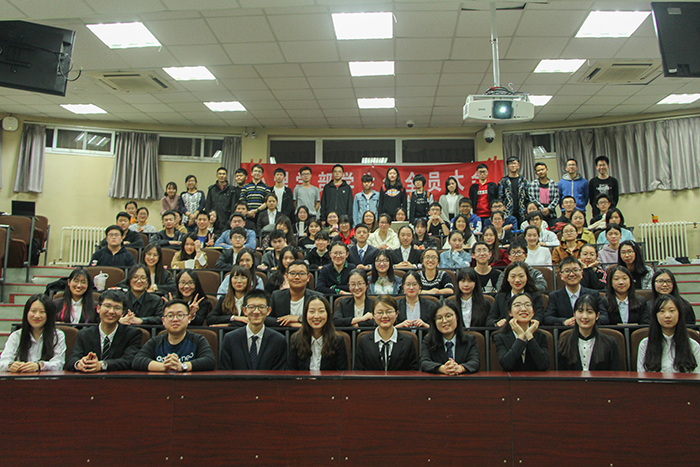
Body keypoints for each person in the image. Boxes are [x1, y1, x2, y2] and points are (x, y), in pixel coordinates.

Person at [66, 290, 142, 372]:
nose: (111, 311)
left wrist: (102, 365)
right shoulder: (84, 334)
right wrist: (79, 364)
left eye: (117, 308)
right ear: (98, 308)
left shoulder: (132, 334)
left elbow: (129, 360)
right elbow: (71, 360)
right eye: (107, 306)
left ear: (123, 313)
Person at [132, 299, 215, 372]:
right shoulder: (155, 341)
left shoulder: (198, 340)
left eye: (180, 315)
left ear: (189, 319)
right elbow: (137, 361)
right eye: (170, 316)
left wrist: (182, 366)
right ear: (163, 321)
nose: (175, 319)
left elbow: (209, 361)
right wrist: (164, 366)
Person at [219, 289, 288, 370]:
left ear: (268, 311)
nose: (256, 311)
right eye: (251, 307)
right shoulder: (230, 339)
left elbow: (279, 374)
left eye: (261, 307)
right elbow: (224, 371)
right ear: (244, 310)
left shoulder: (278, 340)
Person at [0, 294, 65, 372]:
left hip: (46, 379)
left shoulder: (58, 335)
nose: (37, 316)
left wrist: (40, 366)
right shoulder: (16, 336)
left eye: (42, 312)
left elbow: (59, 363)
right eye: (33, 311)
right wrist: (10, 365)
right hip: (21, 378)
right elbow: (3, 362)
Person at [637, 294, 700, 373]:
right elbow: (642, 376)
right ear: (655, 315)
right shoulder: (645, 344)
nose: (667, 315)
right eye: (662, 311)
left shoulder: (693, 346)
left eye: (672, 311)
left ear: (679, 314)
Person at [355, 295, 419, 371]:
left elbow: (413, 371)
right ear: (373, 315)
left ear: (396, 314)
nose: (385, 316)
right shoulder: (364, 341)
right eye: (380, 312)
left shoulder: (408, 341)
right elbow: (358, 371)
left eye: (389, 312)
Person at [558, 295, 620, 371]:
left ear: (597, 316)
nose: (585, 316)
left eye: (589, 312)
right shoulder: (564, 342)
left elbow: (615, 373)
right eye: (580, 311)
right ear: (574, 314)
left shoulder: (610, 343)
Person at [544, 256, 609, 326]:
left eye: (575, 270)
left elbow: (604, 317)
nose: (572, 274)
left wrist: (588, 320)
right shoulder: (555, 296)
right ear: (561, 275)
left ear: (582, 273)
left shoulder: (593, 294)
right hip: (566, 331)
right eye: (567, 271)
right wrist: (564, 321)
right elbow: (547, 318)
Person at [492, 293, 549, 371]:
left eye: (528, 305)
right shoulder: (500, 337)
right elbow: (506, 364)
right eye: (518, 305)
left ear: (533, 312)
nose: (523, 309)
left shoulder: (542, 336)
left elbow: (544, 365)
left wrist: (530, 336)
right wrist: (521, 337)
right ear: (510, 312)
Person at [420, 299, 479, 374]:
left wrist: (460, 368)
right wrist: (442, 368)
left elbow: (475, 362)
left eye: (448, 316)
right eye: (439, 318)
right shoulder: (428, 341)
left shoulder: (470, 340)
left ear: (457, 317)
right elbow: (424, 363)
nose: (444, 321)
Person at [288, 296, 348, 371]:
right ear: (305, 314)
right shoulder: (296, 339)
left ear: (328, 314)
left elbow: (341, 373)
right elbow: (291, 372)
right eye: (312, 311)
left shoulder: (338, 340)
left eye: (321, 311)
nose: (316, 316)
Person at [486, 261, 545, 327]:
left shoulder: (535, 296)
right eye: (513, 276)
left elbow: (539, 317)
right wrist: (497, 323)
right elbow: (490, 320)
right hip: (506, 331)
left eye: (521, 276)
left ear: (527, 277)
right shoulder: (501, 296)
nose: (517, 280)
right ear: (507, 278)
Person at [269, 260, 322, 327]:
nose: (297, 277)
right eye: (293, 273)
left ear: (308, 278)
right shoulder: (276, 296)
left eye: (301, 274)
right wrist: (290, 324)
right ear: (287, 276)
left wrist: (299, 318)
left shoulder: (317, 297)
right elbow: (266, 318)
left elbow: (323, 319)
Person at [498, 157, 529, 226]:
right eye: (510, 164)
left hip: (522, 212)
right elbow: (500, 198)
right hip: (508, 213)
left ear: (518, 166)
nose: (513, 165)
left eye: (515, 163)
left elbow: (528, 197)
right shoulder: (503, 181)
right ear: (507, 166)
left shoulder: (524, 181)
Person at [204, 167, 235, 234]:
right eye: (220, 174)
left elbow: (233, 206)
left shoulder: (232, 189)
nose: (221, 176)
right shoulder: (212, 189)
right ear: (217, 175)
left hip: (227, 220)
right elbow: (208, 205)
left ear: (226, 176)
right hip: (214, 220)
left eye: (223, 174)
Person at [527, 162, 559, 228]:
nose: (541, 172)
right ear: (536, 173)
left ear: (546, 170)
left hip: (551, 214)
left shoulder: (554, 184)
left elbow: (557, 198)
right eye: (538, 170)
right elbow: (532, 198)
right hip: (538, 215)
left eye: (542, 169)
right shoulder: (532, 185)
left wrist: (548, 209)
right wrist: (542, 209)